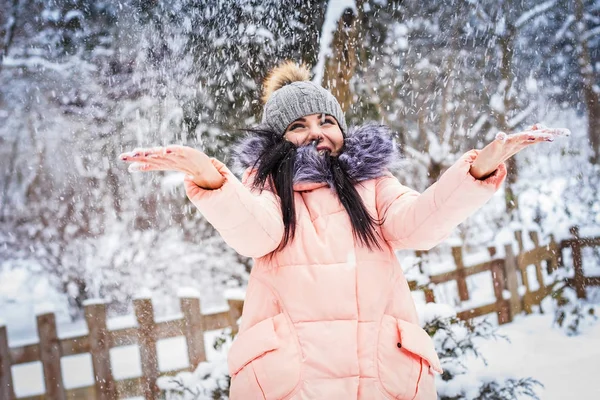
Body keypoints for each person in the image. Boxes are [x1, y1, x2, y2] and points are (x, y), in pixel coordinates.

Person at [120, 61, 567, 400]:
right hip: (292, 379)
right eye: (298, 126)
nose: (316, 133)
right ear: (279, 139)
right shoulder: (269, 187)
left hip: (379, 373)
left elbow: (419, 224)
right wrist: (211, 179)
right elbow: (254, 233)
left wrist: (477, 171)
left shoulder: (373, 183)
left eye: (325, 121)